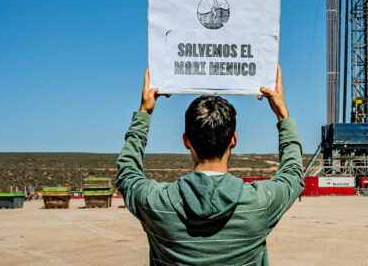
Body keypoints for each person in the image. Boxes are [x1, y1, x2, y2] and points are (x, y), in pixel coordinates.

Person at [116, 66, 303, 265]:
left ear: (186, 141)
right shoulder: (259, 202)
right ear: (233, 140)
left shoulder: (155, 203)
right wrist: (282, 115)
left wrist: (145, 112)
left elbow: (127, 173)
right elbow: (293, 175)